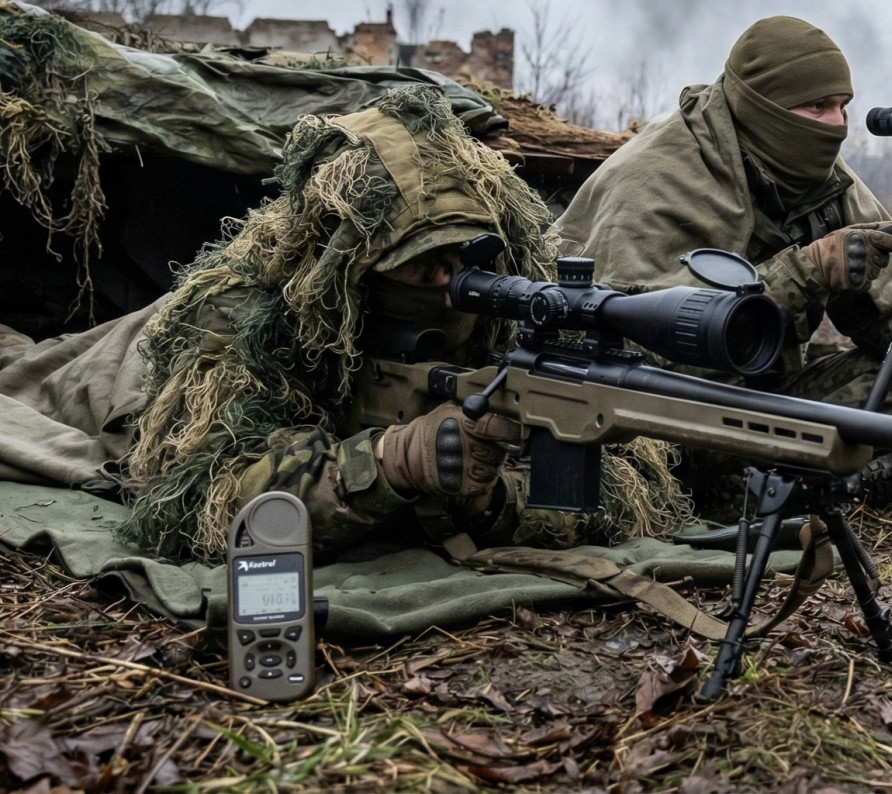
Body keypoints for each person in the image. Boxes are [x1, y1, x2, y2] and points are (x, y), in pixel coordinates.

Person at [0, 85, 691, 563]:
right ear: (350, 266)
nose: (454, 285)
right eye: (421, 265)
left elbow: (635, 484)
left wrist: (498, 502)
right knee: (21, 375)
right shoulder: (257, 308)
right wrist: (389, 462)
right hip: (132, 374)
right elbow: (202, 499)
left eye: (471, 257)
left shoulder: (521, 304)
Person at [555, 16, 892, 503]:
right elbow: (643, 356)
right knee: (653, 452)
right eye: (818, 107)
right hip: (650, 418)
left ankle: (775, 484)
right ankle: (743, 488)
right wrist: (805, 273)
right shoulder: (654, 181)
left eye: (843, 107)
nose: (836, 125)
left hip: (761, 393)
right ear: (764, 108)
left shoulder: (816, 173)